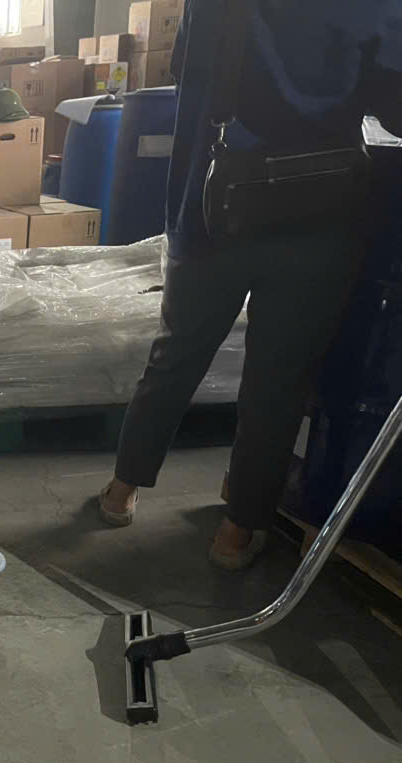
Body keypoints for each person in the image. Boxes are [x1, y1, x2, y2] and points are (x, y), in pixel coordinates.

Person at [99, 0, 402, 569]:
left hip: (215, 204)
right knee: (278, 382)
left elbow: (186, 69)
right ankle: (236, 533)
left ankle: (122, 491)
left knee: (176, 356)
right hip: (320, 216)